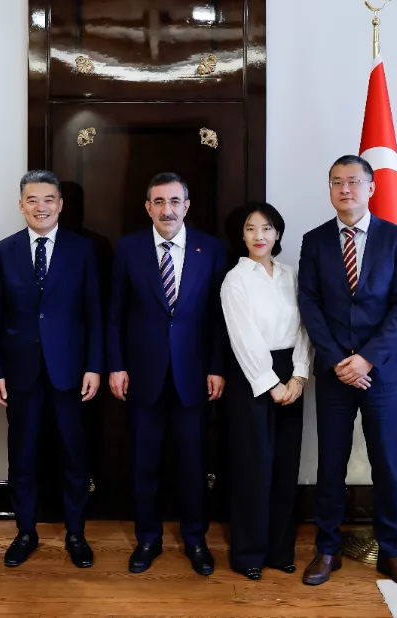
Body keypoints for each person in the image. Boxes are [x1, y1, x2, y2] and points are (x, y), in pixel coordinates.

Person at [297, 154, 397, 589]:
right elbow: (309, 304)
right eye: (336, 182)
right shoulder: (314, 241)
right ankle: (327, 549)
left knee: (386, 463)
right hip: (334, 372)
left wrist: (367, 358)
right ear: (330, 190)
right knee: (330, 463)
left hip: (381, 372)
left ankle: (392, 552)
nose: (344, 189)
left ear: (371, 188)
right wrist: (338, 360)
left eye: (353, 181)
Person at [108, 172, 227, 576]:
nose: (167, 210)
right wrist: (116, 364)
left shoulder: (210, 249)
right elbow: (115, 314)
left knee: (193, 464)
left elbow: (219, 316)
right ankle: (148, 539)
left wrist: (216, 367)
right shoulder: (128, 248)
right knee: (144, 463)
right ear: (148, 207)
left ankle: (195, 540)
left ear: (186, 206)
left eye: (175, 201)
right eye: (159, 202)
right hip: (143, 376)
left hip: (194, 376)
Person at [0, 170, 103, 569]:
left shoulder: (83, 250)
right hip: (20, 374)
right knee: (22, 456)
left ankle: (76, 533)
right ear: (21, 205)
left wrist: (94, 366)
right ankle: (25, 532)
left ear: (60, 204)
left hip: (71, 373)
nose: (41, 207)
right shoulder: (3, 251)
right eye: (32, 200)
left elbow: (94, 314)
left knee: (74, 456)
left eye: (48, 199)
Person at [220, 202, 312, 581]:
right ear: (241, 235)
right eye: (251, 228)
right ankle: (249, 554)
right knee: (253, 466)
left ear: (278, 234)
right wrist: (271, 384)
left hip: (291, 373)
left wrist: (300, 376)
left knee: (286, 466)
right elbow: (243, 337)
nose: (259, 236)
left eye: (267, 228)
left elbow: (306, 326)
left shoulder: (292, 275)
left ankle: (280, 550)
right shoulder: (235, 279)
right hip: (252, 377)